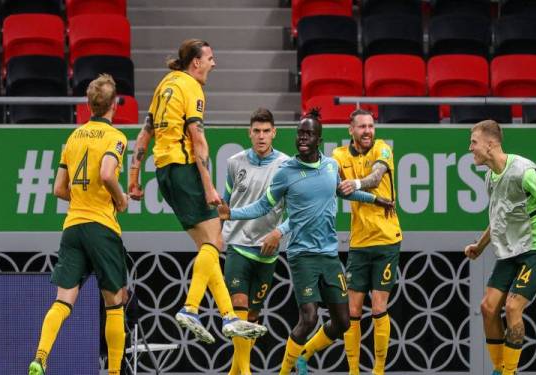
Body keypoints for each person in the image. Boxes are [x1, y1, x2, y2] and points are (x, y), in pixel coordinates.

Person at [217, 109, 396, 375]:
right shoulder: (286, 171)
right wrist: (232, 213)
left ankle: (304, 353)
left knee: (344, 322)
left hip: (330, 256)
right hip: (301, 256)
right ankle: (284, 371)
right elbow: (262, 206)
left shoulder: (330, 166)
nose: (303, 138)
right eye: (300, 133)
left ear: (319, 140)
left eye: (309, 134)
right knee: (309, 317)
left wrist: (375, 199)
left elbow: (343, 191)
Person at [128, 39, 266, 344]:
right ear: (196, 63)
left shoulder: (165, 83)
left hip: (163, 171)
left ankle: (229, 316)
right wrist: (209, 186)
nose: (214, 64)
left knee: (210, 244)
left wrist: (134, 177)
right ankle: (191, 308)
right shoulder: (191, 88)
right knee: (215, 240)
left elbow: (144, 134)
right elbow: (198, 141)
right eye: (210, 58)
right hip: (183, 169)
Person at [29, 74, 129, 375]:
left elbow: (59, 189)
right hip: (101, 226)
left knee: (63, 300)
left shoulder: (74, 137)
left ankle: (40, 357)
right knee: (115, 303)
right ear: (114, 105)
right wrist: (120, 199)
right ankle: (113, 372)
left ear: (89, 105)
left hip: (73, 226)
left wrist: (82, 197)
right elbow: (108, 173)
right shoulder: (116, 138)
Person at [464, 120, 536, 375]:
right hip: (513, 249)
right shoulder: (490, 177)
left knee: (513, 307)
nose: (470, 148)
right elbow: (498, 219)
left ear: (490, 144)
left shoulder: (523, 170)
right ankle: (500, 368)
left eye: (473, 142)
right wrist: (479, 247)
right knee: (487, 307)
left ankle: (509, 372)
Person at [325, 109, 403, 375]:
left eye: (371, 126)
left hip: (386, 240)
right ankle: (354, 371)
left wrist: (354, 183)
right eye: (362, 127)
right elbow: (336, 188)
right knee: (352, 311)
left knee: (379, 307)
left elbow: (375, 178)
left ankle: (379, 370)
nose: (368, 131)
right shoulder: (338, 156)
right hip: (358, 242)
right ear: (351, 130)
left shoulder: (383, 149)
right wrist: (344, 186)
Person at [222, 108, 290, 375]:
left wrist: (279, 232)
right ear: (249, 133)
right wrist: (218, 231)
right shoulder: (234, 162)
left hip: (267, 251)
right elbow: (227, 204)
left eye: (266, 131)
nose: (261, 136)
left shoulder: (286, 165)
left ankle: (235, 372)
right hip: (238, 245)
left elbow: (295, 212)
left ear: (274, 133)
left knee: (251, 318)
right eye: (256, 131)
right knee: (239, 309)